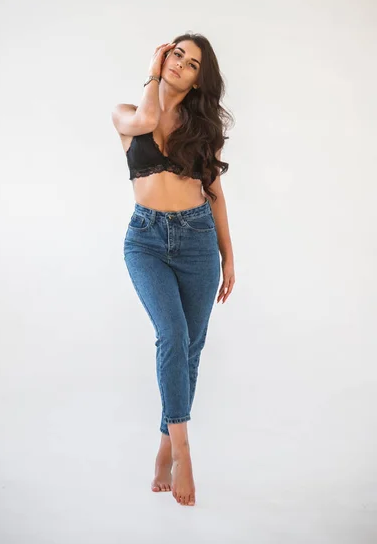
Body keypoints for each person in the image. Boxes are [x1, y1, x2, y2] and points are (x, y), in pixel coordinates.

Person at [111, 32, 235, 506]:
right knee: (172, 335)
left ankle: (164, 445)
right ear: (162, 58)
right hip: (145, 242)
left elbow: (216, 193)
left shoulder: (201, 126)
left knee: (191, 346)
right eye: (176, 53)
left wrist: (229, 255)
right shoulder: (126, 113)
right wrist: (152, 70)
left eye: (191, 62)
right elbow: (145, 119)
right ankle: (182, 448)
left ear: (201, 78)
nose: (180, 63)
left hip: (198, 240)